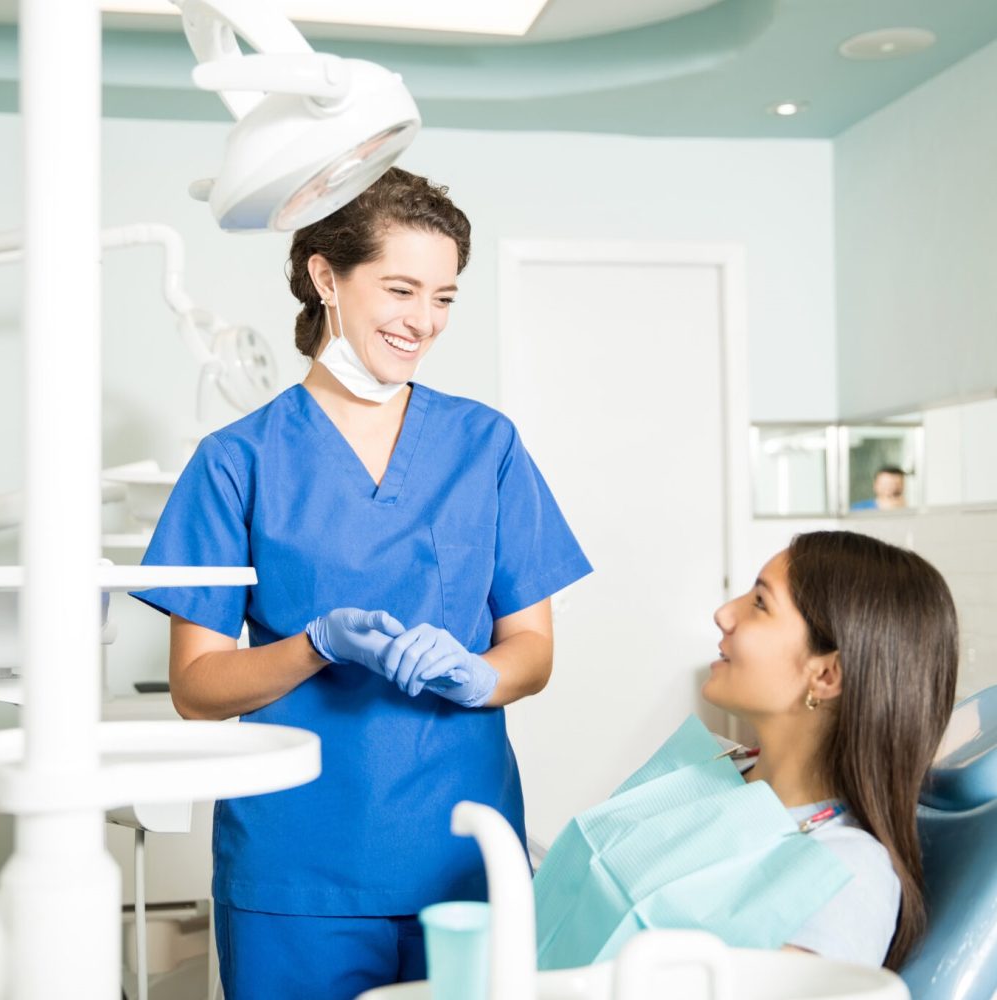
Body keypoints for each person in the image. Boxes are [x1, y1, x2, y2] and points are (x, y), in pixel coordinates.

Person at [132, 167, 592, 1000]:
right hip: (295, 870)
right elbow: (197, 689)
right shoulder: (237, 462)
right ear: (325, 278)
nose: (424, 321)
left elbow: (534, 651)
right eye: (402, 289)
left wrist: (479, 672)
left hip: (465, 856)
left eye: (445, 297)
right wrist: (313, 647)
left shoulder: (487, 446)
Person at [704, 530, 957, 968]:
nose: (724, 614)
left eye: (761, 603)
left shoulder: (847, 874)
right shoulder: (711, 770)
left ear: (826, 675)